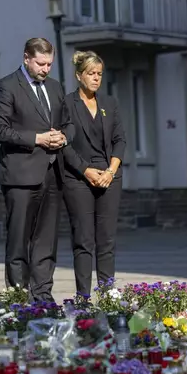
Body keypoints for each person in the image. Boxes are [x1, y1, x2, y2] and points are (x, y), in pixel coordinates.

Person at [0, 38, 74, 302]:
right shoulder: (6, 86)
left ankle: (43, 296)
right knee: (18, 241)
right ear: (26, 58)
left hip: (52, 173)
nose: (45, 69)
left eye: (49, 64)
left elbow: (68, 123)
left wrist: (63, 137)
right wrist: (37, 138)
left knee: (46, 241)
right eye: (40, 63)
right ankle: (19, 298)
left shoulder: (56, 87)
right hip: (20, 175)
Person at [62, 51, 126, 296]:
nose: (96, 78)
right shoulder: (67, 104)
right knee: (84, 240)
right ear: (79, 75)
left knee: (107, 241)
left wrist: (111, 170)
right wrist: (85, 170)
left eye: (99, 74)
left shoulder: (110, 104)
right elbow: (64, 145)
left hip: (110, 176)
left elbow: (120, 140)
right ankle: (83, 297)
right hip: (79, 177)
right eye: (91, 74)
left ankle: (108, 295)